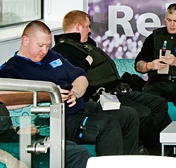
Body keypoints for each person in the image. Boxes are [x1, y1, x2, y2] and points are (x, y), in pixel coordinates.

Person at [0, 20, 139, 156]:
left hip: (79, 106)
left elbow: (80, 76)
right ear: (25, 41)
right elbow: (4, 97)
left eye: (48, 46)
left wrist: (75, 92)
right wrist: (49, 94)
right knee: (108, 125)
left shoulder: (51, 56)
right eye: (41, 45)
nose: (44, 51)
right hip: (59, 119)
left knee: (128, 115)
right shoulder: (12, 68)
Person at [53, 10, 172, 155]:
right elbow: (71, 75)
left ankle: (161, 149)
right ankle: (147, 150)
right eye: (88, 26)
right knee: (143, 113)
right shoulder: (63, 50)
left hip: (117, 90)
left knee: (159, 104)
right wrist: (85, 63)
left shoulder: (85, 45)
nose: (90, 31)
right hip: (101, 97)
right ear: (78, 27)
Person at [0, 101, 89, 168]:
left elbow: (4, 126)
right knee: (77, 154)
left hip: (13, 138)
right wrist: (9, 160)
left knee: (69, 146)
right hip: (7, 148)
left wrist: (18, 129)